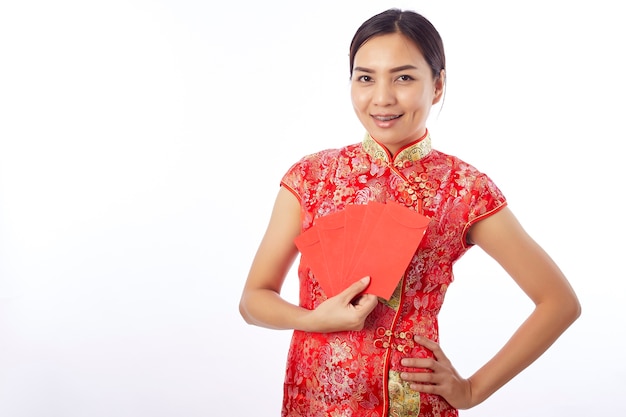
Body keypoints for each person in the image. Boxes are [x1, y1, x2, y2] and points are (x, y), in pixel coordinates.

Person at [239, 8, 581, 417]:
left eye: (403, 77)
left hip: (412, 404)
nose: (381, 97)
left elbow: (559, 303)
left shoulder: (463, 188)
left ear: (437, 86)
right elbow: (252, 300)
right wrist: (315, 320)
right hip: (313, 402)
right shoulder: (310, 177)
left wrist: (472, 390)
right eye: (365, 77)